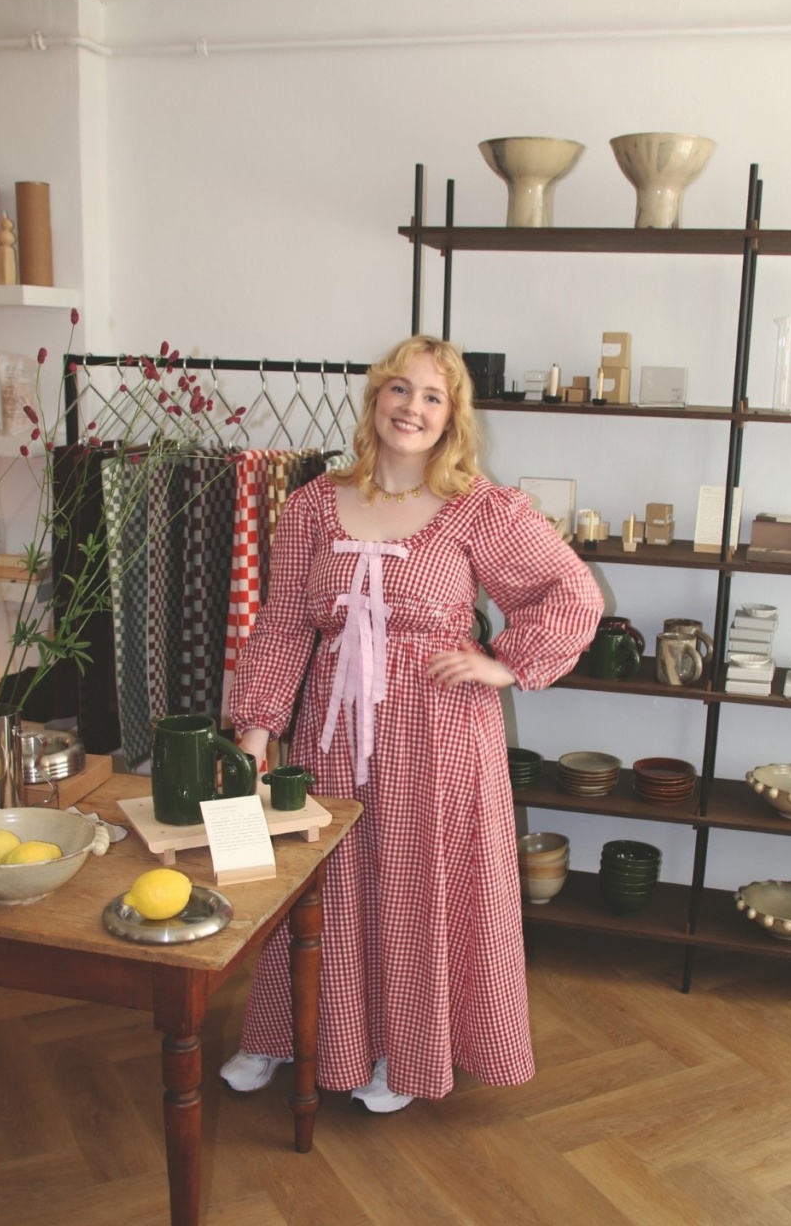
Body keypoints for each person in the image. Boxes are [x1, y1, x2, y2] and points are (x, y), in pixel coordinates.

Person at [221, 335, 603, 1113]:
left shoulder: (478, 508)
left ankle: (402, 1053)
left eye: (433, 396)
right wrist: (256, 730)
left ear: (451, 416)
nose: (413, 408)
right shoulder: (312, 504)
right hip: (332, 736)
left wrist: (505, 661)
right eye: (400, 390)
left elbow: (572, 594)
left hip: (439, 735)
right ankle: (284, 1035)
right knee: (320, 885)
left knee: (414, 889)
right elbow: (286, 625)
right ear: (375, 401)